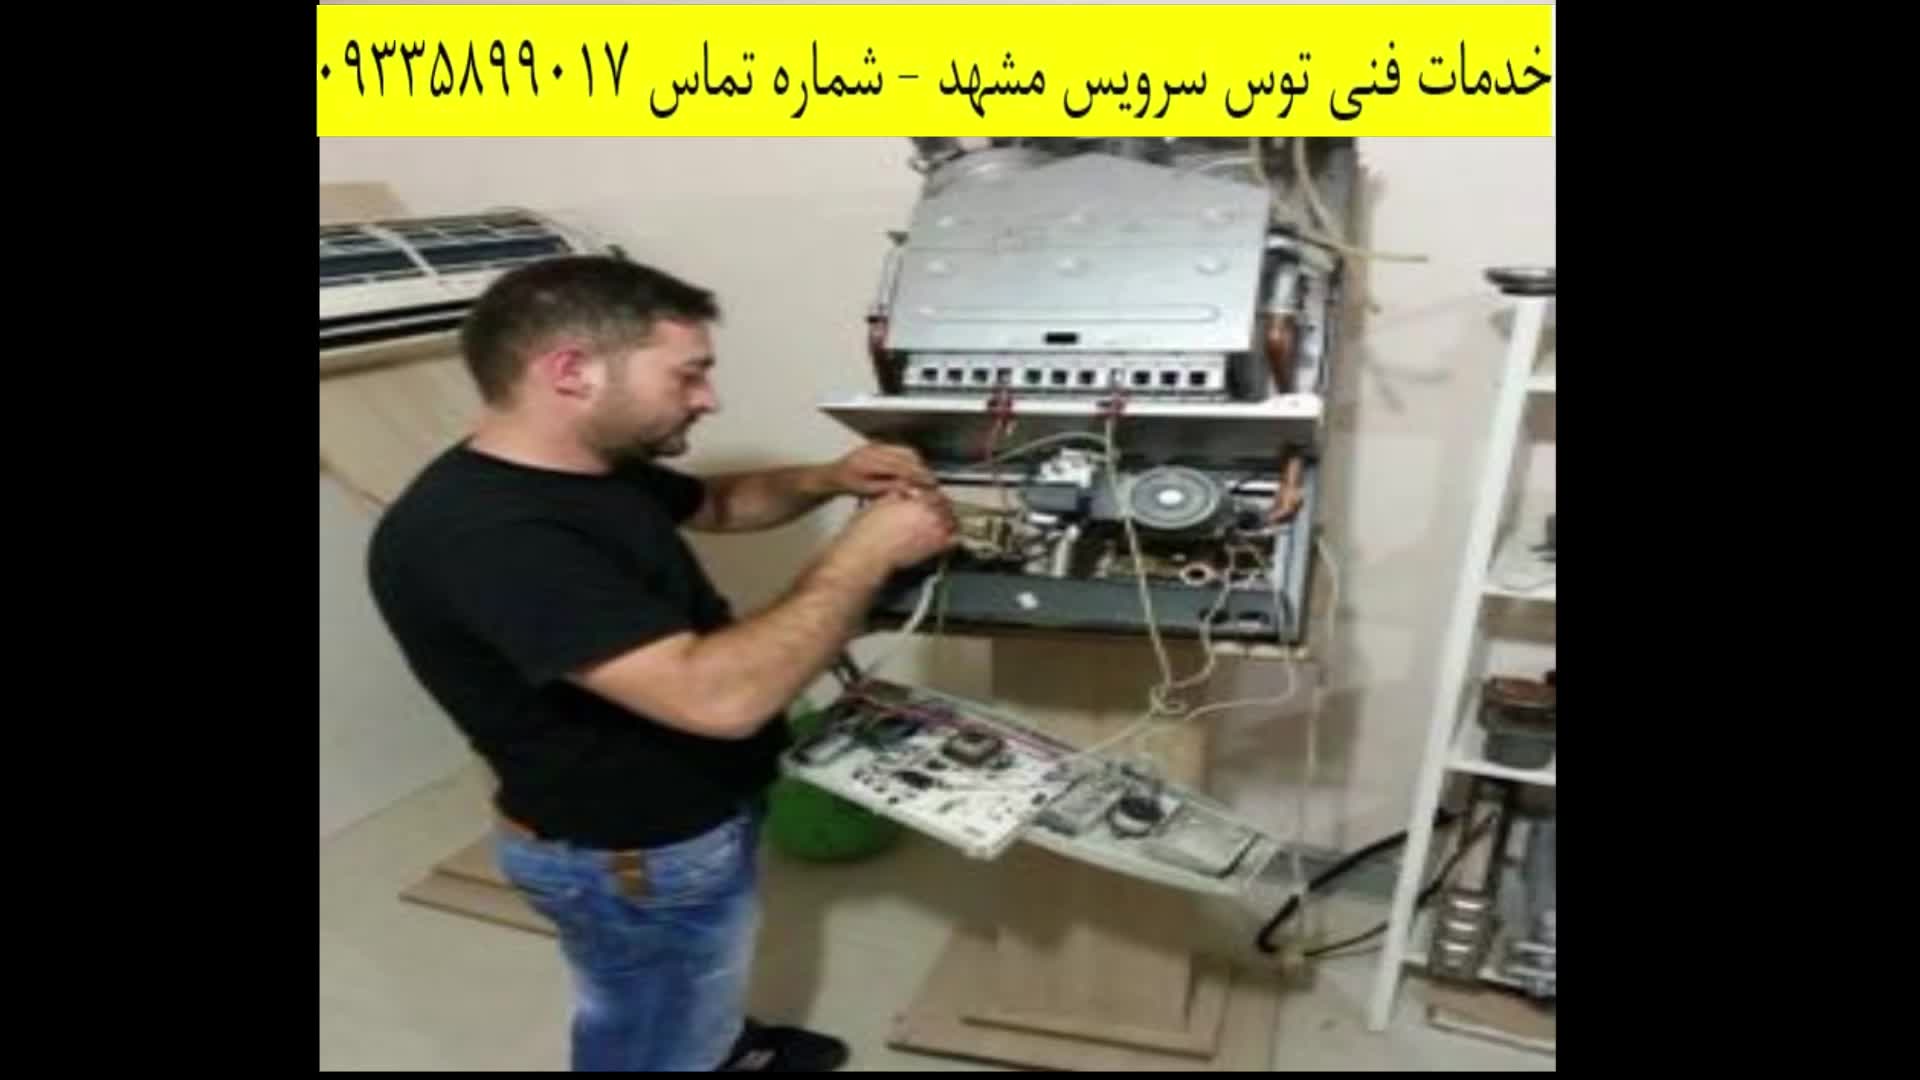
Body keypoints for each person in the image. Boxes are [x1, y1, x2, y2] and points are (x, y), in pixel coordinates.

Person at [365, 254, 958, 1071]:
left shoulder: (592, 468)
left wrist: (827, 478)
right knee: (650, 1029)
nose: (709, 398)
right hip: (633, 852)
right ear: (571, 372)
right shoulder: (492, 537)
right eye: (688, 374)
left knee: (689, 988)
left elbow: (719, 503)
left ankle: (715, 1042)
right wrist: (866, 552)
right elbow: (718, 701)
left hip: (686, 816)